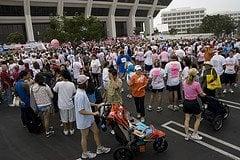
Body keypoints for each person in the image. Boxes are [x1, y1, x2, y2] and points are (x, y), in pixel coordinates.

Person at [74, 75, 111, 160]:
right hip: (83, 120)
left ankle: (99, 148)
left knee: (96, 131)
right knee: (85, 137)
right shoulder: (79, 95)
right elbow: (81, 111)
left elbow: (87, 103)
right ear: (84, 83)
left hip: (89, 118)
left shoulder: (82, 92)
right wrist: (93, 113)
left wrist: (96, 105)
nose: (88, 82)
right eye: (86, 81)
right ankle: (85, 154)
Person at [183, 68, 206, 141]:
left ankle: (187, 135)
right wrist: (205, 94)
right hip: (193, 102)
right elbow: (201, 94)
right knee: (198, 118)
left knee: (187, 119)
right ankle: (194, 134)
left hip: (186, 102)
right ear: (195, 76)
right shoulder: (196, 84)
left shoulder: (184, 82)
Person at [53, 70, 76, 135]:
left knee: (63, 118)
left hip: (62, 104)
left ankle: (65, 130)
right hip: (70, 103)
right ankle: (71, 129)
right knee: (71, 117)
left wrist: (57, 80)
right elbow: (74, 92)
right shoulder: (72, 84)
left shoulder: (58, 84)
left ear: (62, 76)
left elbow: (54, 90)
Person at [32, 73, 54, 138]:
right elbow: (51, 95)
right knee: (47, 119)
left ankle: (45, 128)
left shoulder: (33, 87)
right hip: (47, 104)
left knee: (42, 118)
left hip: (39, 105)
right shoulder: (45, 86)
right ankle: (47, 131)